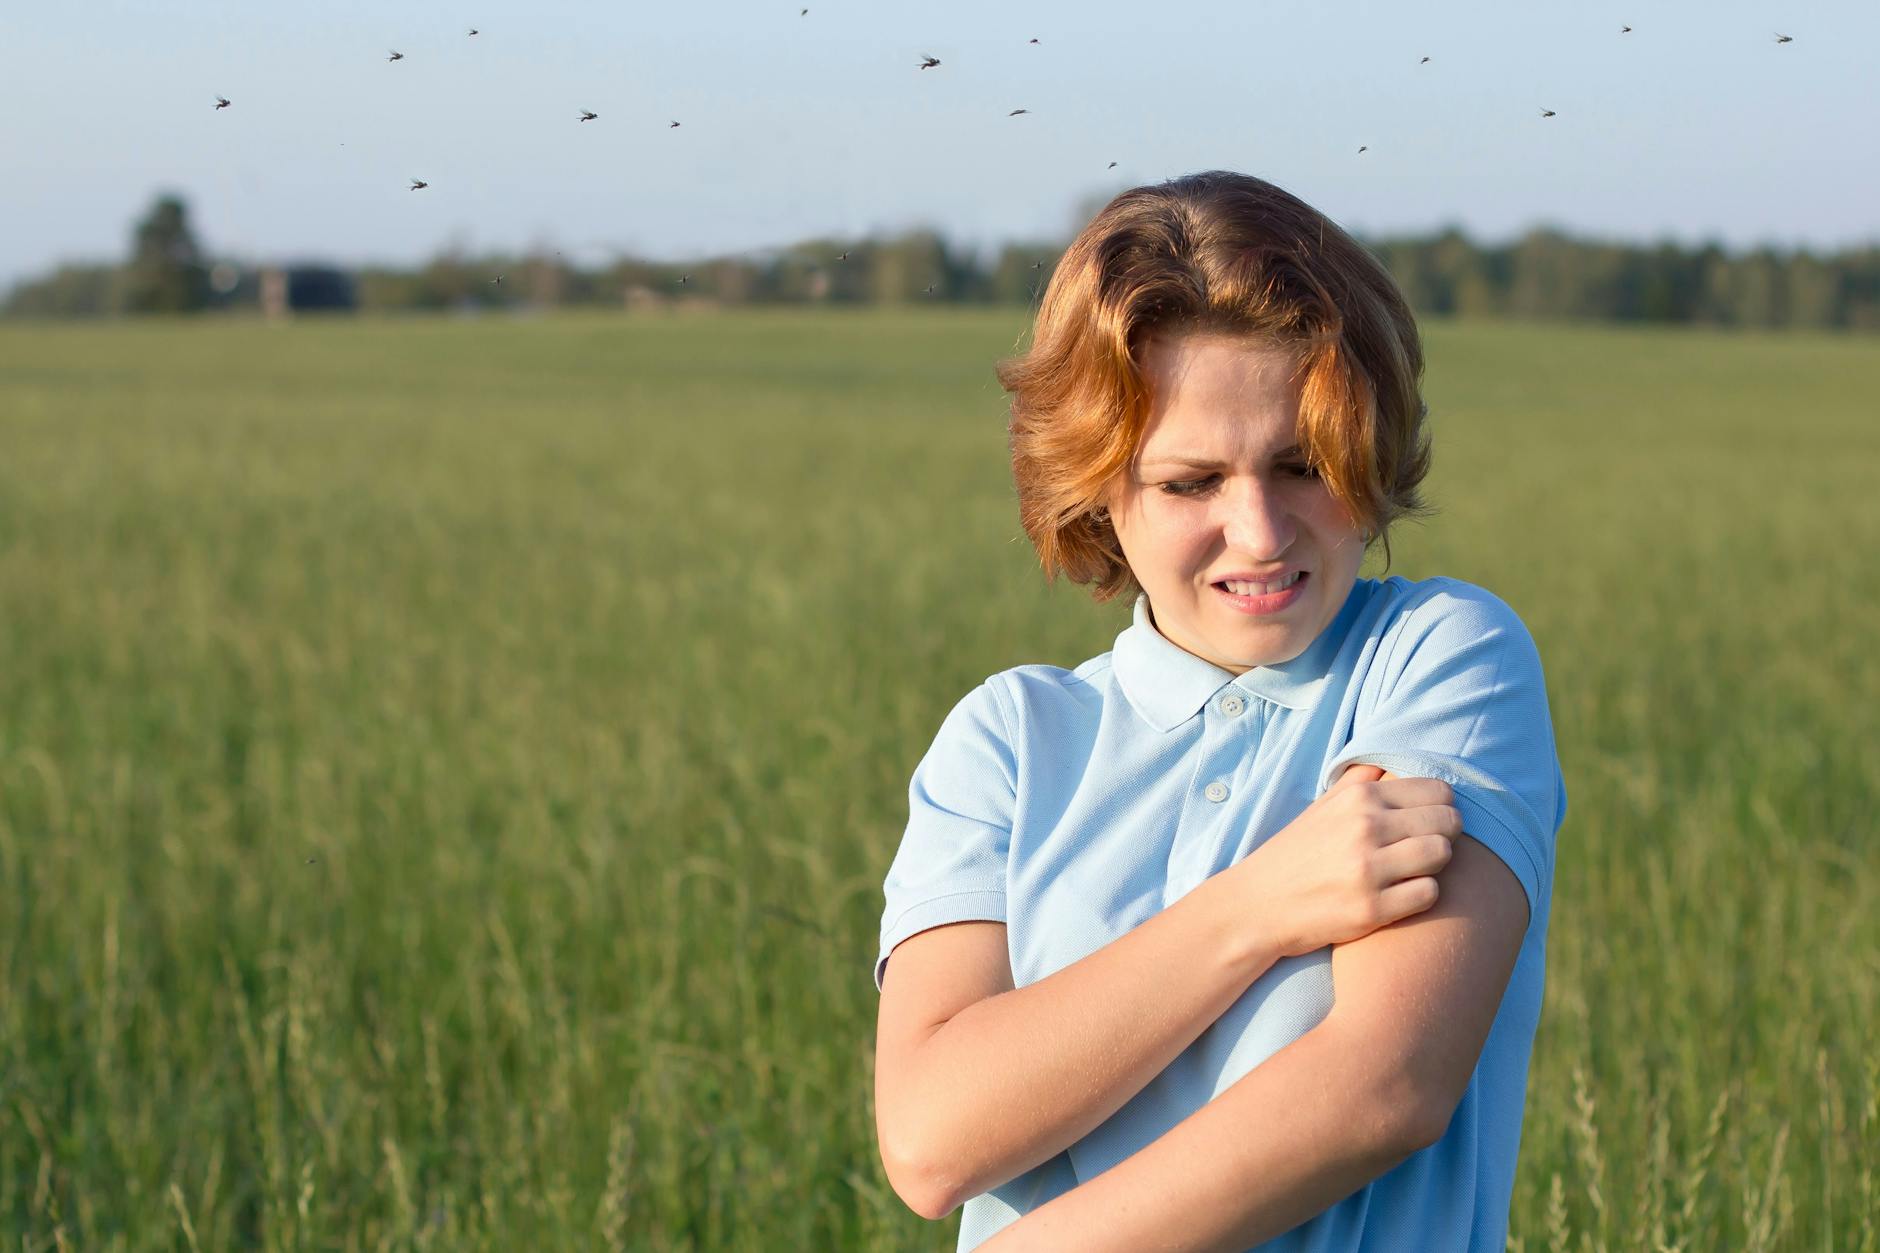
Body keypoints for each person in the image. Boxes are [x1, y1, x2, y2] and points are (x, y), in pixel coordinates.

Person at [871, 170, 1568, 1251]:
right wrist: (1259, 904)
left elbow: (1381, 1088)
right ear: (1096, 486)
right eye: (1188, 482)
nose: (1257, 531)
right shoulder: (1006, 740)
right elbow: (929, 1140)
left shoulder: (1436, 657)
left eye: (1300, 465)